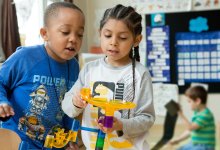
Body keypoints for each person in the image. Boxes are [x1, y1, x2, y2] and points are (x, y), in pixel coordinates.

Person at [62, 4, 155, 150]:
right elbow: (67, 106)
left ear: (136, 40)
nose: (113, 42)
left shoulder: (140, 74)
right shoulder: (89, 69)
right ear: (100, 34)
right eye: (108, 35)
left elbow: (147, 118)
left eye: (122, 37)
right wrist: (75, 103)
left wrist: (121, 124)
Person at [0, 2, 84, 149]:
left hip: (51, 144)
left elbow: (70, 108)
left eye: (80, 34)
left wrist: (69, 138)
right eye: (65, 32)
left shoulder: (75, 67)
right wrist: (2, 101)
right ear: (45, 34)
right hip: (16, 141)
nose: (73, 39)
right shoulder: (25, 57)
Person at [168, 86, 216, 150]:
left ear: (197, 101)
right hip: (195, 143)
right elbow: (190, 131)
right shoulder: (197, 113)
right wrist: (177, 140)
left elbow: (190, 128)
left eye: (189, 101)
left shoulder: (205, 115)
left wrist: (181, 114)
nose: (188, 104)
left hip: (205, 146)